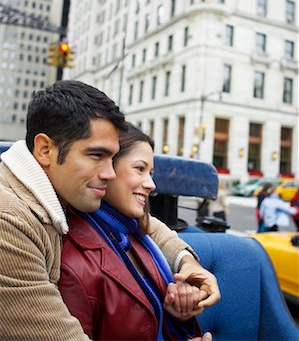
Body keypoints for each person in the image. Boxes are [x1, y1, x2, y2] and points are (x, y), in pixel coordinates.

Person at [0, 80, 219, 341]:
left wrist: (187, 261)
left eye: (112, 158)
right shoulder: (9, 221)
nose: (110, 173)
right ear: (45, 149)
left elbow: (145, 225)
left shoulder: (56, 187)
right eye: (96, 155)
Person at [60, 123, 207, 340]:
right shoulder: (75, 265)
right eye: (140, 169)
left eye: (151, 172)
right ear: (106, 169)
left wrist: (180, 311)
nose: (151, 184)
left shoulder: (133, 234)